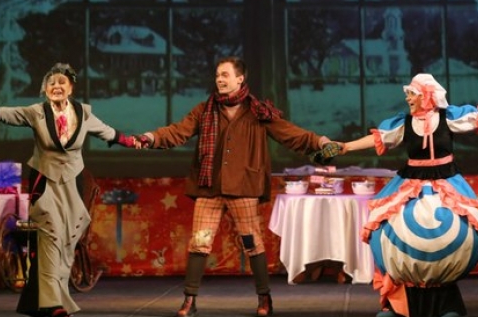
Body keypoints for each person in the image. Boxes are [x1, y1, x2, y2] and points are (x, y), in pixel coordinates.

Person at [134, 56, 341, 317]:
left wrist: (320, 141)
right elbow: (178, 131)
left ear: (240, 79)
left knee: (252, 243)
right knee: (199, 242)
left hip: (243, 186)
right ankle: (189, 299)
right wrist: (150, 138)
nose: (219, 79)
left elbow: (290, 134)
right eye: (217, 75)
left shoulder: (258, 111)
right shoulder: (205, 110)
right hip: (209, 187)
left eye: (225, 75)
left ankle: (264, 298)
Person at [0, 63, 138, 317]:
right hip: (46, 182)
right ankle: (53, 305)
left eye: (62, 82)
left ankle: (46, 301)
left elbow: (110, 133)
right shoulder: (36, 113)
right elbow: (0, 112)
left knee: (66, 242)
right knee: (50, 236)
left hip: (73, 183)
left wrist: (135, 141)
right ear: (45, 89)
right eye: (51, 83)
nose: (56, 86)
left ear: (71, 88)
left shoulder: (84, 114)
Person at [339, 73, 478, 317]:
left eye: (412, 94)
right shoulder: (404, 123)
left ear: (426, 95)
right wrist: (346, 146)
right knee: (384, 221)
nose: (408, 98)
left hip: (446, 180)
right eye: (408, 94)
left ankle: (445, 291)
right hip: (412, 180)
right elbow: (378, 138)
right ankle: (401, 295)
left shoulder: (448, 118)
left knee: (469, 221)